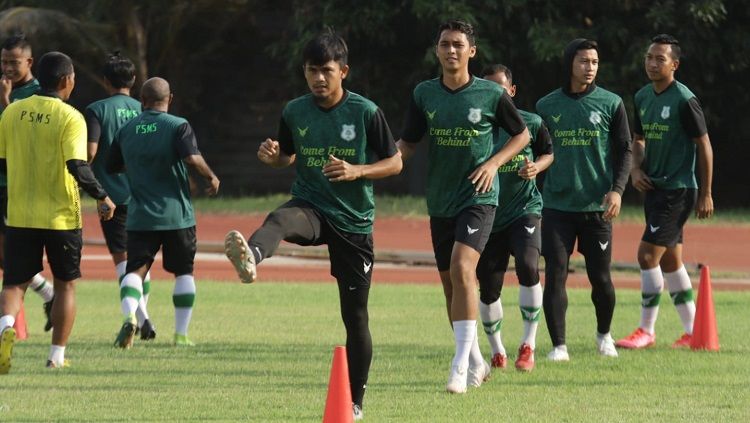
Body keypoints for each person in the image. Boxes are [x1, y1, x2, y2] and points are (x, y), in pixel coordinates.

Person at [223, 30, 401, 420]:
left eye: (326, 70)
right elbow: (288, 156)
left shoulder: (366, 112)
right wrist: (274, 159)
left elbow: (396, 162)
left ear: (344, 72)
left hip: (353, 221)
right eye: (311, 71)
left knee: (355, 317)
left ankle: (354, 402)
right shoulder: (294, 111)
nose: (318, 78)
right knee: (280, 218)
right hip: (312, 206)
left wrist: (358, 170)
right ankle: (252, 256)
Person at [397, 20, 529, 393]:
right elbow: (406, 144)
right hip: (440, 200)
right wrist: (376, 161)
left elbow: (522, 134)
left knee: (461, 267)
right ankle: (474, 360)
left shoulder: (490, 94)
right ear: (436, 50)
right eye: (444, 44)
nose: (451, 50)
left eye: (458, 44)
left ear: (472, 51)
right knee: (450, 287)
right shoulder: (424, 94)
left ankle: (457, 365)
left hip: (479, 198)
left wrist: (493, 164)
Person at [0, 51, 116, 373]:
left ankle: (4, 329)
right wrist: (102, 196)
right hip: (61, 216)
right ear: (67, 80)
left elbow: (2, 163)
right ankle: (56, 357)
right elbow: (77, 165)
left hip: (20, 214)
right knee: (65, 284)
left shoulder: (12, 113)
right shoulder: (70, 117)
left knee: (13, 284)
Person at [535, 38, 632, 361]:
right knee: (556, 274)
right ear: (569, 65)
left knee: (601, 278)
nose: (589, 68)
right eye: (583, 62)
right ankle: (559, 346)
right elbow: (538, 153)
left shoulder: (611, 103)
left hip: (597, 208)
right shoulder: (546, 106)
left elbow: (624, 151)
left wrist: (617, 190)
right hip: (557, 207)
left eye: (594, 62)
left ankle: (604, 335)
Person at [616, 34, 714, 349]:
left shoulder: (685, 100)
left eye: (660, 58)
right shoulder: (643, 96)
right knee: (670, 261)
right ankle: (693, 332)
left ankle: (646, 330)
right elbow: (639, 139)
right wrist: (635, 169)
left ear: (675, 64)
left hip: (678, 189)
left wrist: (706, 193)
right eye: (649, 57)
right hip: (655, 188)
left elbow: (705, 146)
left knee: (646, 256)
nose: (653, 63)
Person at [107, 77, 220, 349]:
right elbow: (192, 158)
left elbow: (113, 166)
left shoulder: (126, 129)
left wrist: (139, 168)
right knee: (183, 273)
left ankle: (129, 316)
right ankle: (180, 335)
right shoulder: (178, 125)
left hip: (140, 216)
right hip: (176, 215)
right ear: (170, 99)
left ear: (142, 101)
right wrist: (211, 177)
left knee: (135, 271)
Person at [477, 64, 553, 372]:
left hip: (525, 210)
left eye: (500, 89)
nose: (496, 94)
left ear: (512, 91)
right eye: (489, 89)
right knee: (488, 288)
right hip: (487, 213)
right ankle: (497, 350)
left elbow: (549, 152)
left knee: (527, 264)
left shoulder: (531, 123)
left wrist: (537, 166)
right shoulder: (478, 127)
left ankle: (528, 344)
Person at [85, 52, 156, 340]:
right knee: (142, 260)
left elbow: (90, 151)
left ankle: (136, 317)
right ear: (134, 80)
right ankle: (145, 318)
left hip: (110, 197)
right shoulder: (144, 108)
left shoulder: (96, 109)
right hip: (143, 195)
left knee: (122, 260)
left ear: (105, 81)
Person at [0, 34, 54, 331]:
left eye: (14, 62)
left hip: (15, 184)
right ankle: (48, 293)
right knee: (5, 256)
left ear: (29, 62)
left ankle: (8, 326)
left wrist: (5, 101)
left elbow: (19, 136)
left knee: (13, 256)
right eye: (4, 61)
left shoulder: (37, 94)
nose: (7, 67)